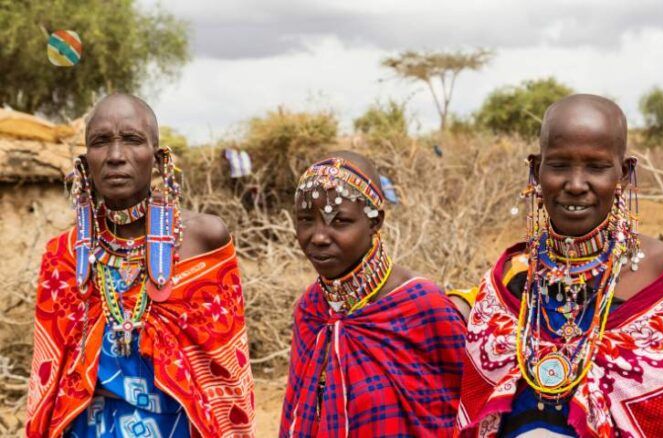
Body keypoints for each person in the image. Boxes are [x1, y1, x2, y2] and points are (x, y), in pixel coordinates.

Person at [454, 94, 663, 437]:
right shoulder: (511, 278)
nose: (575, 185)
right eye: (559, 165)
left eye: (596, 167)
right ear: (535, 171)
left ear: (626, 174)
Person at [25, 93, 255, 437]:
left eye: (132, 140)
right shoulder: (65, 255)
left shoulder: (203, 241)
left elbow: (227, 380)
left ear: (158, 156)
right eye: (101, 142)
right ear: (85, 161)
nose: (116, 156)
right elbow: (49, 382)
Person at [280, 151, 466, 437]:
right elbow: (297, 410)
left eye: (339, 221)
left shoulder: (422, 306)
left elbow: (463, 412)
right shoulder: (312, 309)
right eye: (306, 219)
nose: (317, 236)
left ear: (375, 222)